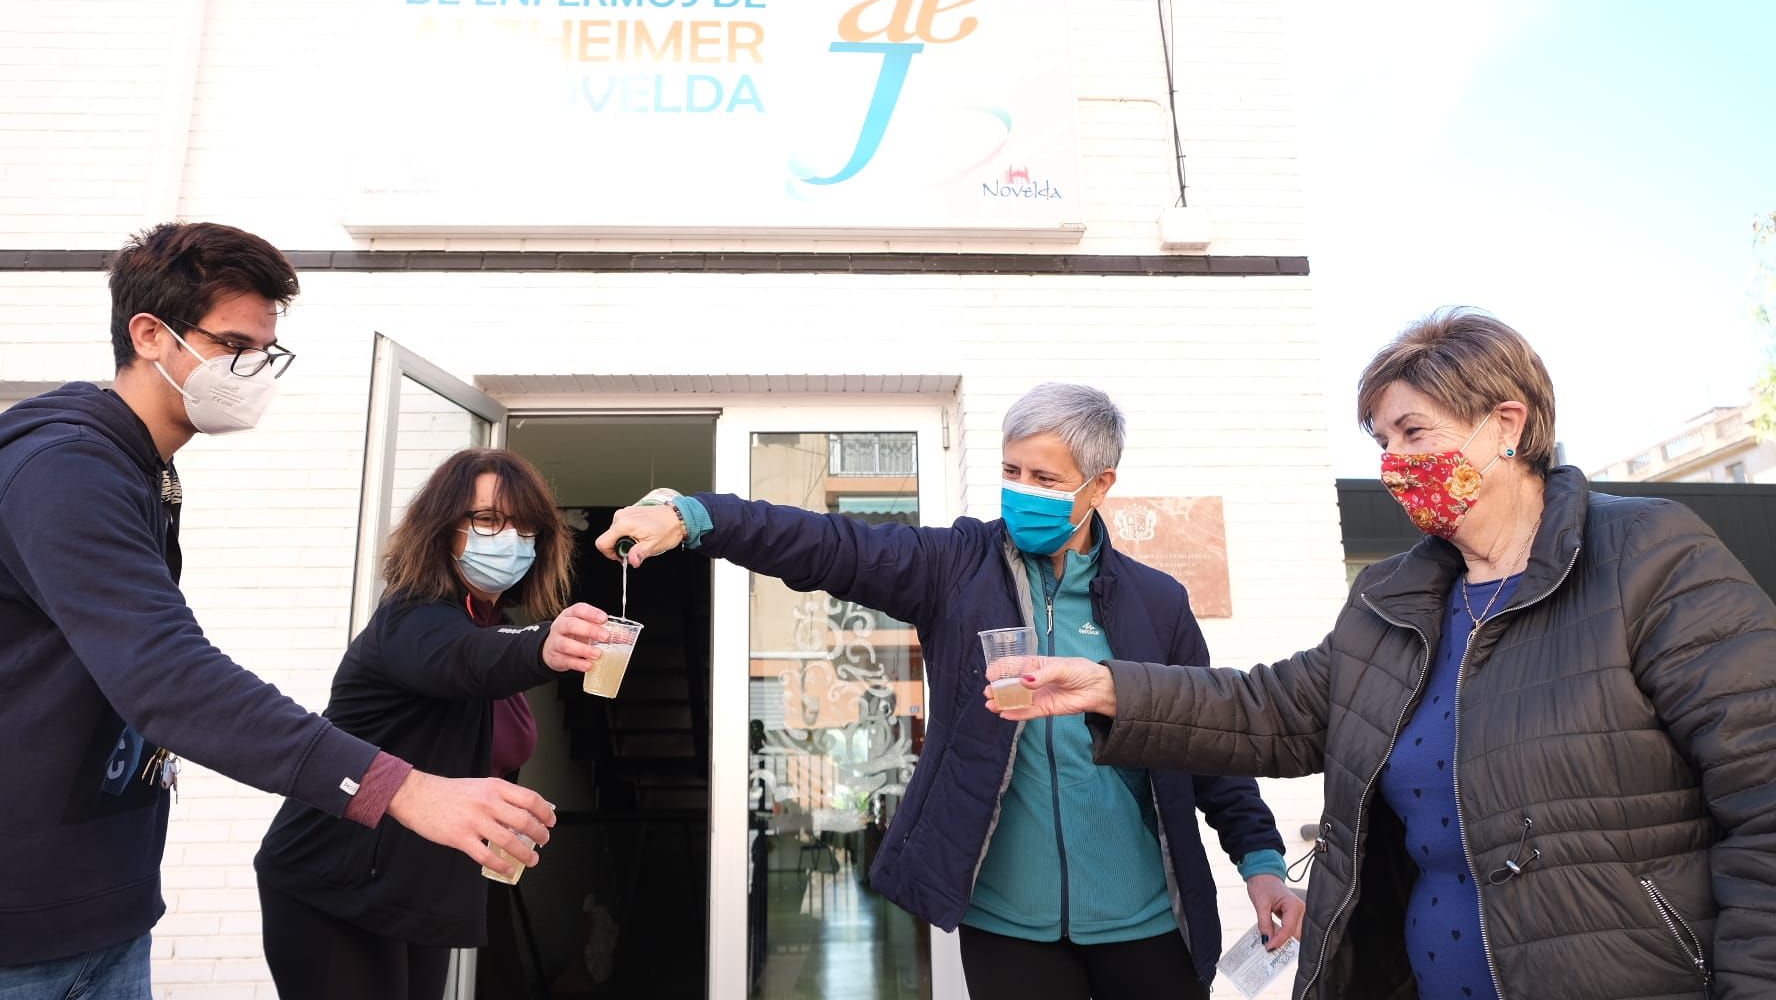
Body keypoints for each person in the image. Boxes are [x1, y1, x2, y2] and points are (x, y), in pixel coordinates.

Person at [996, 309, 1776, 1000]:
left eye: (1414, 432)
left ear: (1507, 424)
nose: (1394, 462)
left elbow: (1763, 794)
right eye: (1381, 440)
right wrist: (1105, 688)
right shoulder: (1394, 595)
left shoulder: (1648, 554)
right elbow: (1271, 710)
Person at [598, 383, 1305, 1000]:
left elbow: (1209, 740)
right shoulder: (954, 567)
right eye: (1011, 470)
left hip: (1147, 918)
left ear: (1100, 484)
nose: (1022, 487)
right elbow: (827, 544)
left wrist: (1262, 863)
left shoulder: (1157, 603)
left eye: (1046, 477)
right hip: (1007, 924)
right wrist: (696, 517)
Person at [0, 223, 557, 998]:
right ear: (150, 335)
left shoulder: (137, 474)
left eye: (264, 352)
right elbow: (168, 678)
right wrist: (403, 787)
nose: (252, 372)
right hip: (27, 935)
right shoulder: (66, 471)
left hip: (96, 909)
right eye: (233, 346)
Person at [255, 448, 611, 999]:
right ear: (443, 529)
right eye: (490, 520)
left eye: (526, 527)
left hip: (416, 894)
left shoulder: (493, 624)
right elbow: (466, 659)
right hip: (332, 884)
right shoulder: (412, 615)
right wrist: (546, 644)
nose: (510, 539)